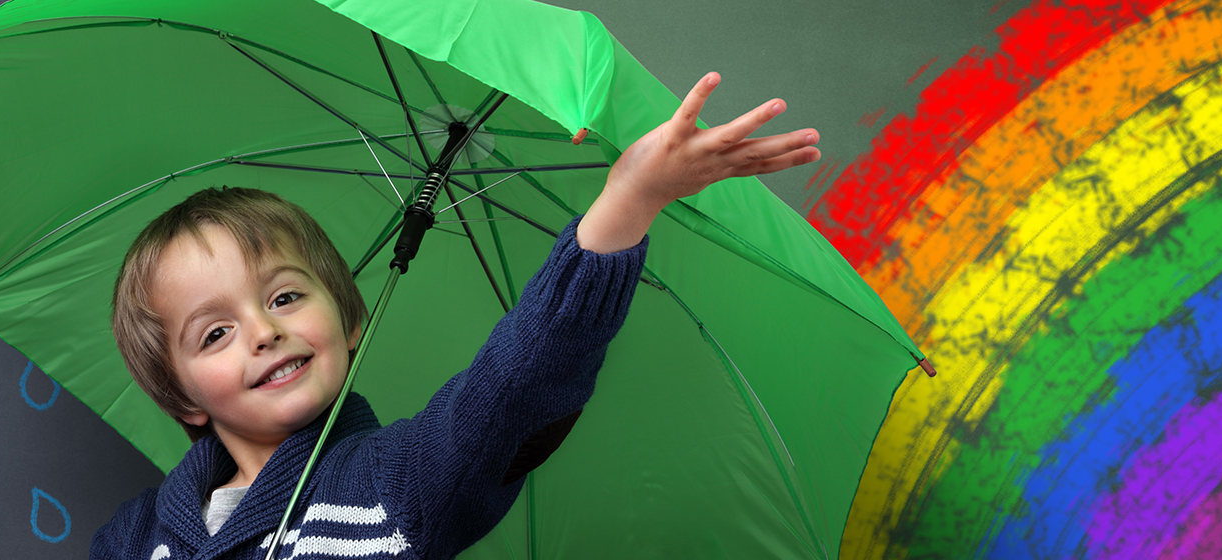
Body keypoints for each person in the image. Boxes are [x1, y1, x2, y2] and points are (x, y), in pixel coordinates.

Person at [93, 73, 820, 559]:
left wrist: (628, 201)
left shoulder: (401, 484)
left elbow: (513, 389)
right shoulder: (133, 538)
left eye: (285, 296)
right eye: (215, 333)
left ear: (351, 321)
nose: (263, 330)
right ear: (180, 391)